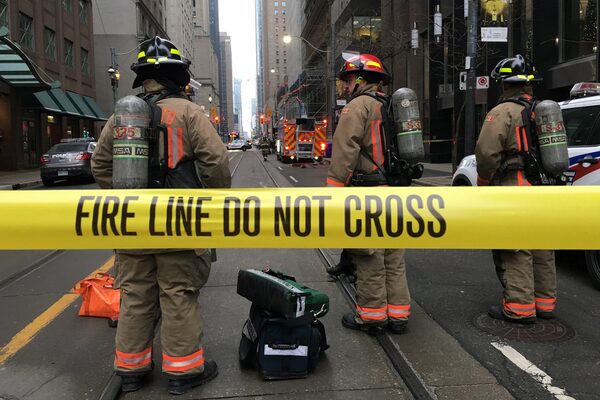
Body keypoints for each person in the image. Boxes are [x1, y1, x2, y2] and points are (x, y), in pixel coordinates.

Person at [91, 36, 231, 395]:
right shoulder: (189, 113)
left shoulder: (122, 116)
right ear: (178, 76)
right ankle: (184, 371)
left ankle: (131, 369)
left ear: (143, 78)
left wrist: (125, 199)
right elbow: (216, 162)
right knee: (178, 292)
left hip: (134, 224)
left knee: (136, 294)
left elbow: (100, 164)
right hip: (180, 223)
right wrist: (212, 203)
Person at [326, 54, 411, 335]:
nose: (345, 86)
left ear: (361, 80)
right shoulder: (391, 105)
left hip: (368, 194)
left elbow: (344, 151)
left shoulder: (356, 107)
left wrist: (334, 193)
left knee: (369, 258)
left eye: (348, 80)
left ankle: (373, 316)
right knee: (394, 257)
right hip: (395, 193)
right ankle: (398, 315)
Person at [475, 54, 556, 324]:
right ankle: (545, 303)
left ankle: (520, 307)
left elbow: (486, 153)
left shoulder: (501, 112)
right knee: (542, 247)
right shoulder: (541, 110)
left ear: (505, 84)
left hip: (515, 188)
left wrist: (484, 180)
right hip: (542, 189)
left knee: (515, 248)